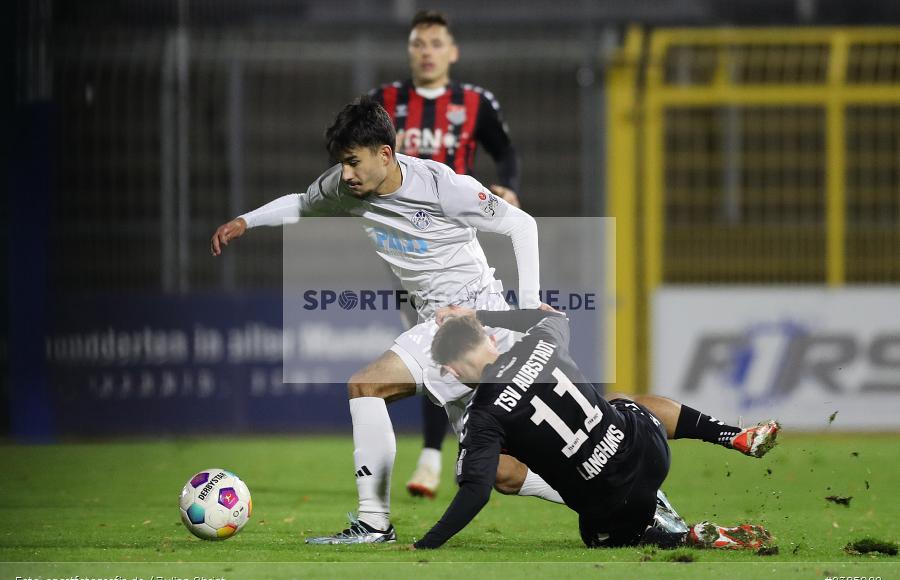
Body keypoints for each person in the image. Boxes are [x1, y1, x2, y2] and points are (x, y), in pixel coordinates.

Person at [210, 96, 559, 544]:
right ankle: (621, 498)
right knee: (502, 472)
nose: (346, 173)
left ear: (386, 154)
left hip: (470, 320)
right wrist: (245, 221)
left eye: (353, 162)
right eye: (342, 163)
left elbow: (522, 225)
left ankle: (374, 523)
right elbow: (301, 203)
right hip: (446, 325)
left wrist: (528, 304)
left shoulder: (440, 186)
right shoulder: (346, 186)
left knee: (366, 385)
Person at [412, 306, 780, 550]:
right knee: (622, 402)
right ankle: (730, 435)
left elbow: (475, 491)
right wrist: (477, 314)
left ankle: (687, 538)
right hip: (650, 453)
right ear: (490, 339)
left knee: (597, 533)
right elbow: (555, 315)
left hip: (612, 502)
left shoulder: (484, 414)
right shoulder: (541, 343)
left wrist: (426, 544)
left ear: (454, 372)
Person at [369, 9, 522, 498]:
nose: (427, 51)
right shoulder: (385, 103)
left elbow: (506, 152)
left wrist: (509, 188)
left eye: (436, 43)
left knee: (465, 345)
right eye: (418, 43)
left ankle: (464, 451)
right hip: (412, 250)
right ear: (409, 51)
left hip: (460, 243)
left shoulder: (474, 102)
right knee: (432, 345)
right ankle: (449, 453)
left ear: (452, 51)